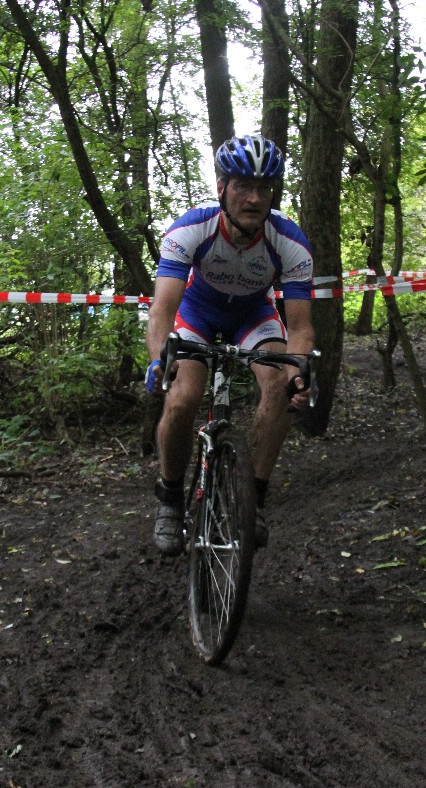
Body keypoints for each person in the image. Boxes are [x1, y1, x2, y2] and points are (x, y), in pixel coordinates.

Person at [143, 133, 316, 555]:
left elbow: (300, 328)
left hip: (253, 316)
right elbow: (162, 310)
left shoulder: (290, 241)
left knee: (279, 386)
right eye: (242, 186)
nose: (253, 198)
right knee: (183, 397)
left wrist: (298, 373)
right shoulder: (191, 228)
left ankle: (252, 497)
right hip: (197, 313)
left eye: (264, 188)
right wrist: (159, 359)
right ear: (222, 187)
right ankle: (170, 497)